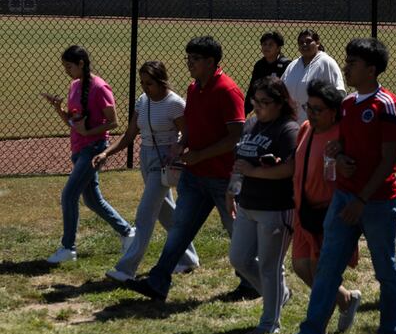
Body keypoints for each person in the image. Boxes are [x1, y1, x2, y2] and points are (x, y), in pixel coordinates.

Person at [276, 38, 396, 334]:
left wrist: (361, 199)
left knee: (385, 268)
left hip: (376, 202)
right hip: (345, 199)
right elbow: (346, 146)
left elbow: (389, 160)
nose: (345, 67)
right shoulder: (347, 104)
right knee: (328, 266)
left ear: (371, 69)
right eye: (346, 61)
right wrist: (339, 152)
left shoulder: (386, 104)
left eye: (352, 63)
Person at [125, 36, 248, 301]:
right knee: (179, 229)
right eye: (188, 58)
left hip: (222, 179)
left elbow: (236, 137)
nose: (189, 63)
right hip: (195, 176)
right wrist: (181, 145)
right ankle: (158, 281)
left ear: (211, 62)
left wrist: (201, 154)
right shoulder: (194, 89)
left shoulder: (227, 90)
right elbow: (191, 127)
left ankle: (253, 281)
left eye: (195, 59)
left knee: (237, 232)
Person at [93, 61, 199, 282]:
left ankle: (126, 269)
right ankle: (188, 259)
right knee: (165, 211)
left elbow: (188, 134)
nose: (144, 87)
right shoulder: (142, 101)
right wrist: (106, 153)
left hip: (163, 160)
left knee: (144, 214)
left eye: (149, 83)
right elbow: (130, 135)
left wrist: (177, 149)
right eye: (142, 82)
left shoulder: (175, 103)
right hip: (146, 156)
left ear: (161, 81)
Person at [41, 45, 135, 263]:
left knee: (69, 194)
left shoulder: (100, 87)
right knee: (92, 200)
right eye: (64, 66)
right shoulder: (74, 86)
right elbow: (73, 123)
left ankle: (68, 248)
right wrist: (58, 108)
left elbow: (114, 122)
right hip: (78, 148)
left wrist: (88, 132)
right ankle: (128, 233)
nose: (66, 70)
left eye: (69, 66)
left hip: (94, 149)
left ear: (81, 63)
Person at [227, 77, 299, 334]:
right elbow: (240, 160)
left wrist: (254, 172)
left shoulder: (288, 129)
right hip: (247, 204)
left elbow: (290, 168)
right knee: (239, 258)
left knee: (270, 267)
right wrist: (232, 190)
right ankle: (281, 293)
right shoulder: (251, 124)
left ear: (279, 103)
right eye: (255, 101)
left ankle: (270, 323)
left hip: (275, 208)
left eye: (265, 102)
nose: (257, 106)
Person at [291, 80, 361, 334]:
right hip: (304, 209)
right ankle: (345, 300)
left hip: (328, 213)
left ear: (334, 111)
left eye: (318, 109)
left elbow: (353, 170)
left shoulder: (343, 135)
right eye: (309, 107)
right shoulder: (306, 128)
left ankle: (314, 332)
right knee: (300, 266)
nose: (311, 114)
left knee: (320, 271)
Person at [282, 29, 346, 123]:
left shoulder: (326, 63)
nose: (304, 44)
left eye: (308, 41)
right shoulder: (293, 65)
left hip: (318, 124)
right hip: (292, 123)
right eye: (301, 42)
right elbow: (281, 90)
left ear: (317, 43)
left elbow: (340, 94)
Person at [244, 31, 291, 115]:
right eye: (264, 44)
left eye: (270, 45)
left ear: (278, 48)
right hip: (263, 109)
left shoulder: (286, 65)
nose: (266, 47)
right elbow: (252, 90)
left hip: (280, 109)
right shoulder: (259, 65)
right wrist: (244, 112)